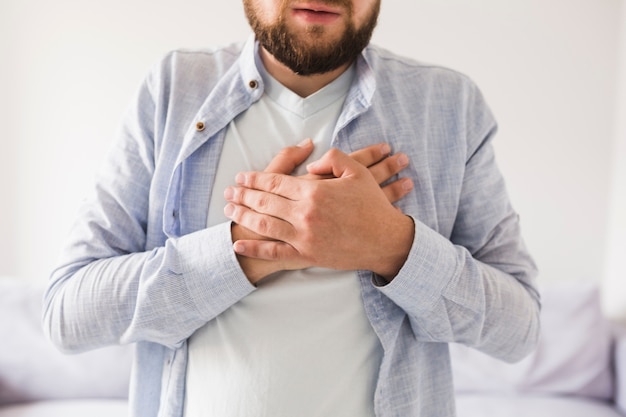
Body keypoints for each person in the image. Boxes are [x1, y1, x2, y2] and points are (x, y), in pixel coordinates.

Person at [43, 0, 541, 416]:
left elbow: (519, 331)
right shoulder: (173, 88)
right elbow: (69, 314)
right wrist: (254, 248)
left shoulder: (450, 104)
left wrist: (391, 246)